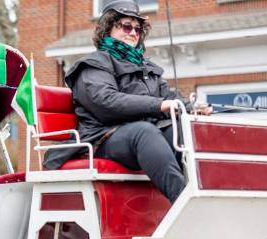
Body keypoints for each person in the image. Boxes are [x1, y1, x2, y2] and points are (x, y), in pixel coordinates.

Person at [63, 0, 212, 203]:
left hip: (140, 134)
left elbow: (167, 96)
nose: (133, 32)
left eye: (138, 28)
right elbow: (106, 102)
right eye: (126, 26)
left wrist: (190, 108)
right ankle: (186, 205)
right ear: (108, 28)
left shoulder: (145, 67)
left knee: (183, 129)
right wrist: (158, 105)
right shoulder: (93, 65)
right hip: (101, 138)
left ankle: (211, 195)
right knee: (144, 132)